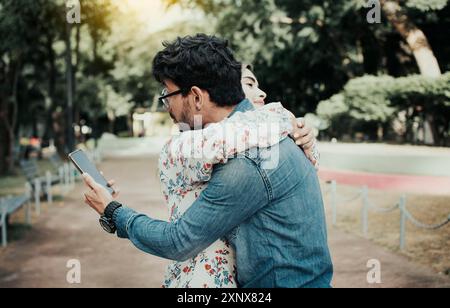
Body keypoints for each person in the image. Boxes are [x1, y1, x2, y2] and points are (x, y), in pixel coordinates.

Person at [82, 34, 333, 288]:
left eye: (168, 94)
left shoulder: (248, 160)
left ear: (196, 97)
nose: (166, 105)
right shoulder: (261, 130)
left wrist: (112, 210)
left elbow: (179, 242)